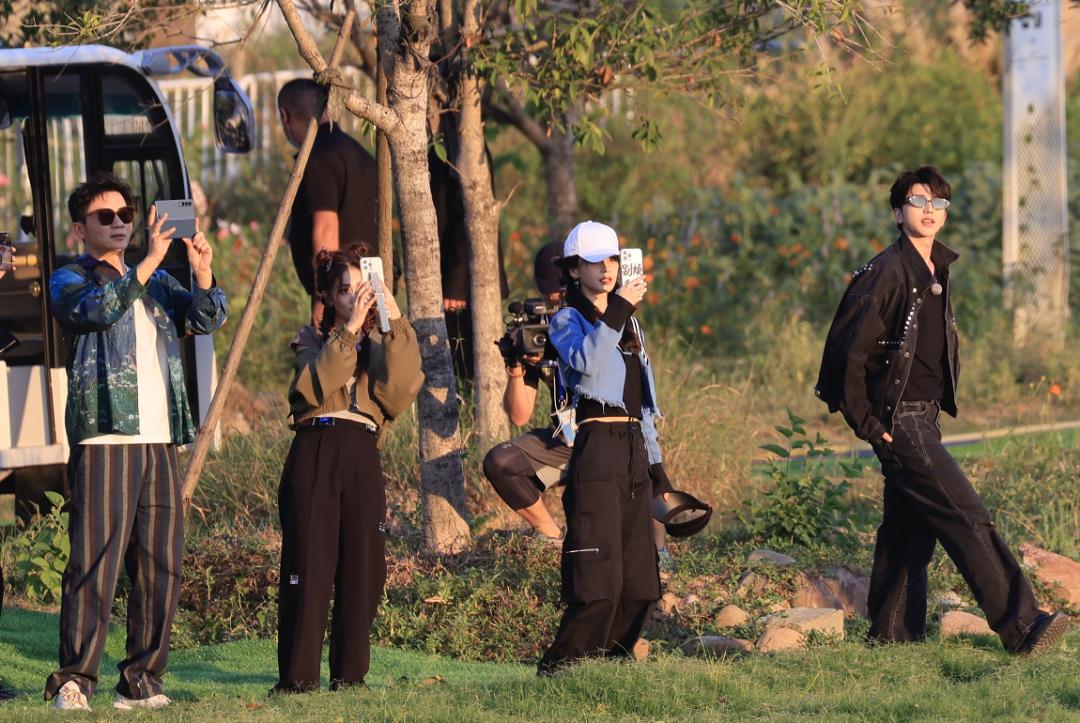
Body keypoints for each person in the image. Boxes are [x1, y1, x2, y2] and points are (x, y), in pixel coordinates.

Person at [815, 166, 1068, 655]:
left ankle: (891, 636)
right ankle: (1022, 626)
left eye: (938, 202)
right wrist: (869, 424)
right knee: (966, 516)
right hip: (901, 421)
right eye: (917, 201)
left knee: (908, 531)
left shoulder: (934, 268)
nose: (929, 210)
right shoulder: (887, 271)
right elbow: (847, 353)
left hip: (922, 417)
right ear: (898, 212)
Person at [44, 172, 227, 711]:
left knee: (160, 565)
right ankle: (75, 681)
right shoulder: (70, 278)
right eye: (106, 217)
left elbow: (207, 318)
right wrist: (147, 263)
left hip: (160, 437)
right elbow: (96, 312)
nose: (120, 223)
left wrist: (202, 272)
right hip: (106, 435)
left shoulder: (160, 282)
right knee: (95, 562)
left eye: (126, 215)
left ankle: (141, 682)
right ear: (80, 228)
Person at [273, 246, 423, 693]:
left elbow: (399, 393)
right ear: (327, 296)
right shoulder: (310, 339)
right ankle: (298, 680)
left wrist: (393, 321)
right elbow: (312, 388)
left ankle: (351, 677)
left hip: (361, 450)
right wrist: (351, 329)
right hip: (315, 445)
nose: (355, 296)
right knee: (308, 565)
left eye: (362, 287)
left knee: (364, 568)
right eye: (344, 289)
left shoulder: (383, 344)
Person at [537, 221, 674, 676]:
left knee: (640, 584)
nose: (607, 268)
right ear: (574, 270)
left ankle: (608, 670)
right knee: (598, 579)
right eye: (595, 262)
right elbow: (587, 363)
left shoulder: (630, 321)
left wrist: (659, 471)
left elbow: (642, 403)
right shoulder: (566, 320)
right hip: (596, 448)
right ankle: (560, 671)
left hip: (634, 446)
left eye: (612, 259)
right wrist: (617, 309)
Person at [483, 242, 674, 567]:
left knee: (638, 468)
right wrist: (517, 365)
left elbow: (628, 394)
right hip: (566, 441)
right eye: (550, 296)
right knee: (500, 461)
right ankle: (550, 534)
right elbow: (519, 415)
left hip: (610, 436)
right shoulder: (542, 331)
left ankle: (658, 554)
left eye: (560, 293)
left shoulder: (606, 323)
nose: (556, 300)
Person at [278, 78, 378, 322]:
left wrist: (324, 298)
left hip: (345, 297)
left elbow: (326, 228)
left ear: (285, 116)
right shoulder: (358, 153)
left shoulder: (318, 157)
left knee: (343, 349)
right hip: (372, 284)